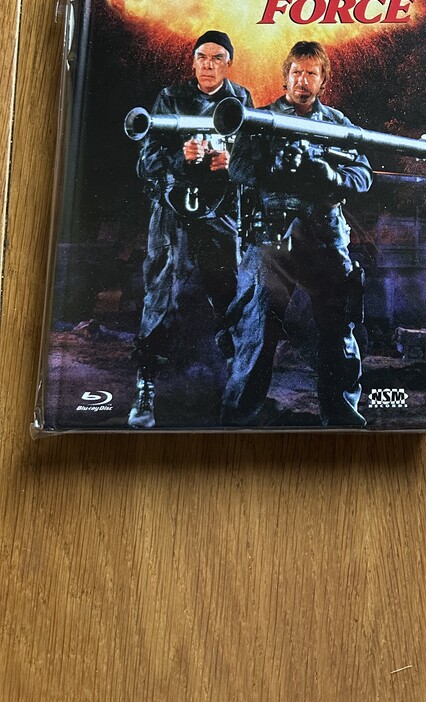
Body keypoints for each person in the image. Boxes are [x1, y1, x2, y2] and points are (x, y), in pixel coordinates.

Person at [221, 41, 372, 427]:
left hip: (324, 238)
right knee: (256, 330)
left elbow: (363, 175)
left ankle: (341, 413)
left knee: (338, 331)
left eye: (311, 74)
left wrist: (331, 175)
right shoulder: (259, 119)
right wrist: (274, 167)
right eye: (297, 72)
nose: (303, 80)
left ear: (323, 80)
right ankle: (239, 418)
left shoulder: (337, 123)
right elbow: (238, 169)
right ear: (285, 76)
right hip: (271, 240)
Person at [130, 30, 253, 429]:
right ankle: (145, 388)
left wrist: (230, 162)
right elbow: (146, 163)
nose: (208, 65)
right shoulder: (171, 98)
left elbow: (252, 160)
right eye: (201, 57)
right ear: (193, 61)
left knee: (231, 294)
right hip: (172, 211)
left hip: (219, 212)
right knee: (160, 296)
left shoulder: (242, 99)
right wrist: (181, 160)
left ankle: (240, 387)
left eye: (217, 58)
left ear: (228, 63)